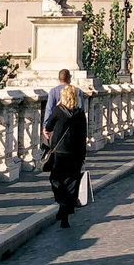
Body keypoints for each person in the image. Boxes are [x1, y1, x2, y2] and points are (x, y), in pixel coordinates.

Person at [42, 84, 88, 228]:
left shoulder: (58, 111)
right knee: (72, 182)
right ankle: (65, 213)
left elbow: (48, 127)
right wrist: (83, 155)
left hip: (60, 152)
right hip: (76, 153)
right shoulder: (80, 114)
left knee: (56, 179)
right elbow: (83, 135)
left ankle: (62, 203)